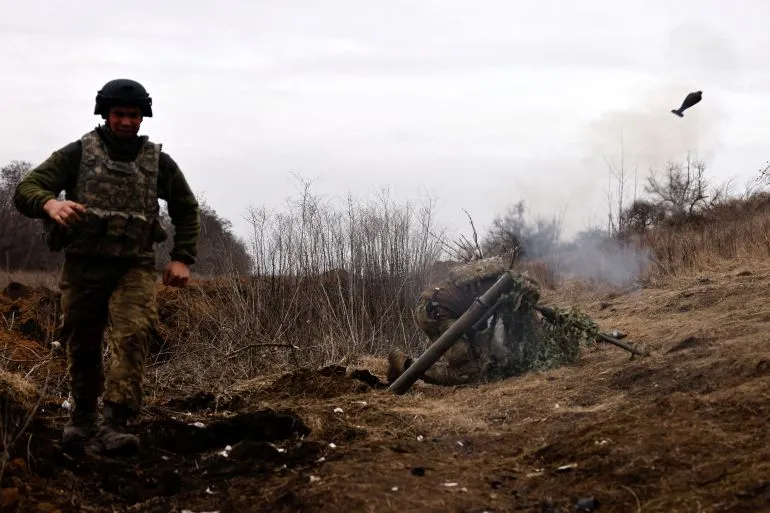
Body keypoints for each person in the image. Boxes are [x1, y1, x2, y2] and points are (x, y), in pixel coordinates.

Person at [13, 78, 201, 456]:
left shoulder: (157, 162)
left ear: (143, 117)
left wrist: (182, 257)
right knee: (81, 343)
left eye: (134, 115)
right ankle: (83, 417)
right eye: (120, 114)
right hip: (84, 267)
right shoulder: (77, 154)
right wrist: (50, 204)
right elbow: (27, 189)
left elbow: (186, 209)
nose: (128, 122)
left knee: (132, 335)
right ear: (105, 114)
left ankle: (116, 422)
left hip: (134, 267)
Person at [387, 256, 542, 386]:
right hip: (436, 313)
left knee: (470, 359)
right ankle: (405, 365)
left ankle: (407, 367)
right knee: (468, 373)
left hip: (436, 307)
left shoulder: (498, 280)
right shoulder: (505, 290)